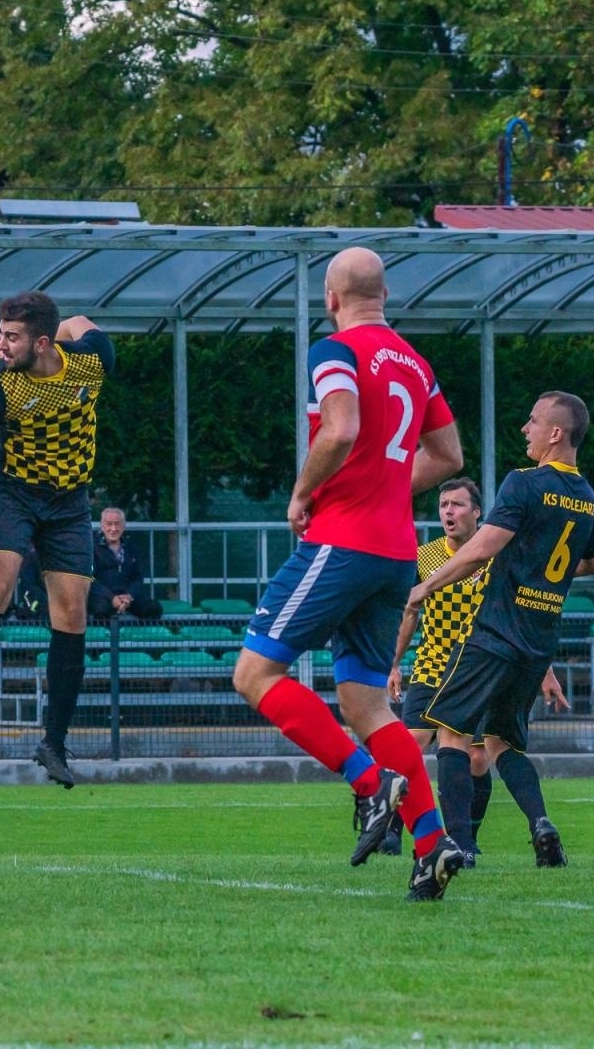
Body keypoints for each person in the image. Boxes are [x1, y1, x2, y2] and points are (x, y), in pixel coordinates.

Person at [231, 246, 466, 903]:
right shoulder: (417, 365)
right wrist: (391, 490)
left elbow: (339, 428)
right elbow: (449, 454)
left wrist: (303, 492)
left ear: (332, 299)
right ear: (383, 295)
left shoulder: (334, 350)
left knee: (253, 673)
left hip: (342, 543)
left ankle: (370, 783)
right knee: (368, 703)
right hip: (394, 553)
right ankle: (432, 843)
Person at [413, 392, 594, 870]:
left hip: (496, 632)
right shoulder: (586, 495)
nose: (526, 428)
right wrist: (539, 567)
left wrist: (425, 587)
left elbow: (482, 549)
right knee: (502, 744)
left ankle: (455, 844)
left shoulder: (523, 483)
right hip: (539, 640)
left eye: (534, 421)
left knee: (451, 734)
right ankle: (541, 824)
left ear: (556, 433)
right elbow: (590, 564)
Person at [0, 291, 114, 788]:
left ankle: (54, 743)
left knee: (72, 612)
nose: (1, 343)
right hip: (15, 494)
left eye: (12, 336)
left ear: (42, 341)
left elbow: (80, 320)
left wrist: (56, 331)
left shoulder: (93, 362)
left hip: (69, 502)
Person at [387, 476, 566, 867]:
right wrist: (395, 662)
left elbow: (518, 615)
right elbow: (409, 614)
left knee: (478, 759)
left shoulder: (498, 554)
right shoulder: (426, 557)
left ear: (478, 511)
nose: (449, 512)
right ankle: (393, 830)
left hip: (480, 666)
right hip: (434, 664)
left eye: (457, 504)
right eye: (444, 505)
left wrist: (545, 672)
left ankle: (467, 836)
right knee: (411, 745)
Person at [88, 507, 162, 620]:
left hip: (127, 596)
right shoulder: (92, 547)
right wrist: (111, 598)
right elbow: (90, 578)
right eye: (109, 524)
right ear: (102, 525)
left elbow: (138, 577)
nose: (113, 529)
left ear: (123, 526)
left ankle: (138, 637)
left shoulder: (132, 547)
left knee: (153, 608)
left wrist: (129, 596)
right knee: (102, 609)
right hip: (102, 597)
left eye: (117, 524)